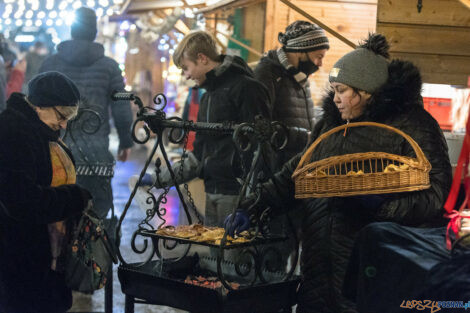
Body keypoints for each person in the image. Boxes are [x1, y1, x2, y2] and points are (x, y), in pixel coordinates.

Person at [225, 33, 452, 313]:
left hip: (372, 270)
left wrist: (383, 206)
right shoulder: (331, 126)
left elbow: (435, 192)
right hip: (318, 270)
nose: (335, 99)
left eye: (341, 90)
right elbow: (296, 174)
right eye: (333, 90)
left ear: (365, 90)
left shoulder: (413, 125)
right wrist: (253, 206)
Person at [134, 30, 270, 227]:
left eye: (186, 68)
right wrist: (157, 179)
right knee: (215, 256)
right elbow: (198, 154)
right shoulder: (207, 97)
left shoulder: (247, 89)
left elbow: (260, 149)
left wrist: (249, 205)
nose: (186, 76)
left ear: (202, 58)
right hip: (212, 190)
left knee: (233, 256)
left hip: (236, 196)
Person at [0, 71, 92, 313]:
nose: (63, 124)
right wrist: (74, 197)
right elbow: (22, 200)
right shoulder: (13, 133)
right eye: (62, 116)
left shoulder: (38, 128)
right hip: (21, 258)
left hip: (43, 257)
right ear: (41, 105)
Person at [39, 6, 134, 219]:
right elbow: (121, 106)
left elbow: (35, 105)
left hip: (54, 154)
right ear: (94, 32)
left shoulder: (50, 63)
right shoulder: (109, 67)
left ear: (72, 31)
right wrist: (126, 142)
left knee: (56, 217)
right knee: (96, 217)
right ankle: (93, 252)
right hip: (96, 156)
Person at [254, 20, 329, 169]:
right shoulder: (267, 75)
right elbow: (260, 125)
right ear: (301, 50)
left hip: (297, 164)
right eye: (318, 56)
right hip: (276, 168)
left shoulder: (300, 76)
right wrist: (305, 137)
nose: (320, 64)